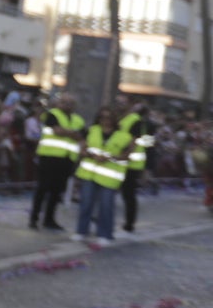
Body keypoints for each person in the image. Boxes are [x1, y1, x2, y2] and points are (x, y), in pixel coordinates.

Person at [73, 106, 131, 248]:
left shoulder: (124, 136)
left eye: (108, 118)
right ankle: (82, 231)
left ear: (114, 119)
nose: (105, 121)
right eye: (102, 117)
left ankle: (105, 234)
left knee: (106, 206)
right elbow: (82, 149)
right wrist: (91, 155)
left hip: (109, 177)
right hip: (89, 173)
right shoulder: (92, 130)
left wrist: (111, 157)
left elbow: (127, 155)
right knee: (86, 203)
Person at [27, 92, 84, 231]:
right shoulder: (52, 114)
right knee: (42, 189)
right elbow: (57, 131)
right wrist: (73, 133)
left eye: (70, 103)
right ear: (58, 103)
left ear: (74, 106)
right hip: (49, 157)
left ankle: (49, 220)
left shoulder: (78, 120)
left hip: (67, 159)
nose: (66, 105)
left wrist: (69, 132)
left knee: (57, 191)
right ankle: (34, 218)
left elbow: (82, 136)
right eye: (64, 102)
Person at [116, 100, 152, 233]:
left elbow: (148, 146)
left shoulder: (143, 123)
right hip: (119, 161)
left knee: (128, 195)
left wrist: (147, 168)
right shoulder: (121, 119)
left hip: (131, 163)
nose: (119, 105)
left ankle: (129, 223)